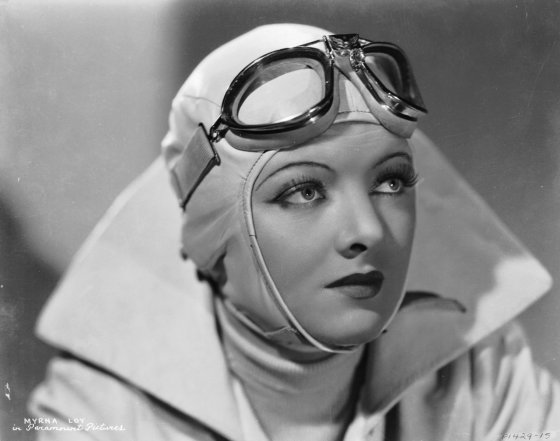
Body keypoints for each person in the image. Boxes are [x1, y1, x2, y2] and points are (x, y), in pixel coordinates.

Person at [29, 24, 560, 440]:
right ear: (216, 232)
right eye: (305, 191)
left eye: (391, 181)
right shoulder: (97, 412)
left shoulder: (486, 376)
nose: (368, 230)